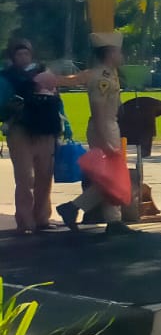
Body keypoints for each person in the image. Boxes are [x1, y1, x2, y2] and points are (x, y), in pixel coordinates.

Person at [57, 32, 128, 233]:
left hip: (109, 124)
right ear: (110, 53)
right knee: (112, 178)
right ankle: (89, 212)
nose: (122, 55)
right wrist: (105, 141)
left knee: (111, 178)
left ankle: (102, 216)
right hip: (104, 126)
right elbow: (98, 111)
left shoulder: (110, 73)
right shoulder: (101, 77)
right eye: (119, 51)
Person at [2, 38, 64, 234]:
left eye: (26, 53)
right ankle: (25, 221)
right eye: (19, 54)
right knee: (25, 178)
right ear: (12, 57)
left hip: (45, 129)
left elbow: (57, 101)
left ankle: (42, 217)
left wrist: (65, 127)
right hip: (20, 130)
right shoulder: (6, 78)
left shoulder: (43, 73)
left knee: (45, 176)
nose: (23, 57)